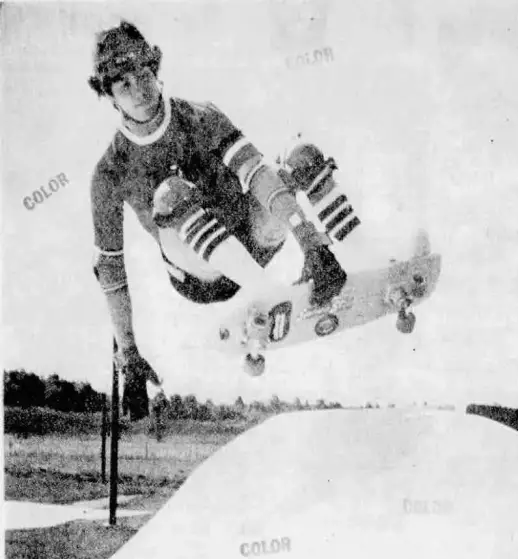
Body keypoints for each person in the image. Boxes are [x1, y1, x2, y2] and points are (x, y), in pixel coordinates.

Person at [89, 21, 364, 419]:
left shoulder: (200, 116)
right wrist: (129, 355)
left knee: (302, 156)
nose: (140, 90)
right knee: (171, 192)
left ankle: (351, 254)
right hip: (200, 273)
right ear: (111, 97)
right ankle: (266, 290)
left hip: (253, 240)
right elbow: (111, 271)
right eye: (124, 85)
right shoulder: (110, 171)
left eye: (144, 74)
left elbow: (256, 172)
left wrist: (308, 240)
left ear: (155, 68)